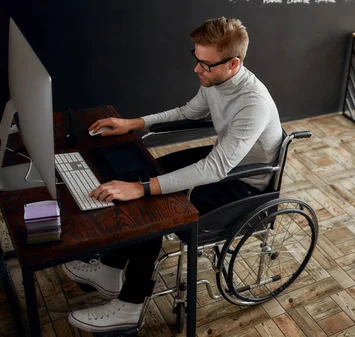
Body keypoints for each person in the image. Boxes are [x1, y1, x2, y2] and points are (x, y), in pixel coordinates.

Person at [63, 17, 282, 332]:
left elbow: (216, 168)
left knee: (152, 201)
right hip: (225, 163)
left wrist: (143, 189)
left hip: (244, 183)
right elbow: (186, 112)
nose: (197, 69)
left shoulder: (253, 104)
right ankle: (110, 269)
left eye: (205, 64)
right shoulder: (215, 79)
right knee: (144, 173)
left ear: (233, 63)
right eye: (196, 58)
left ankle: (130, 305)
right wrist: (132, 123)